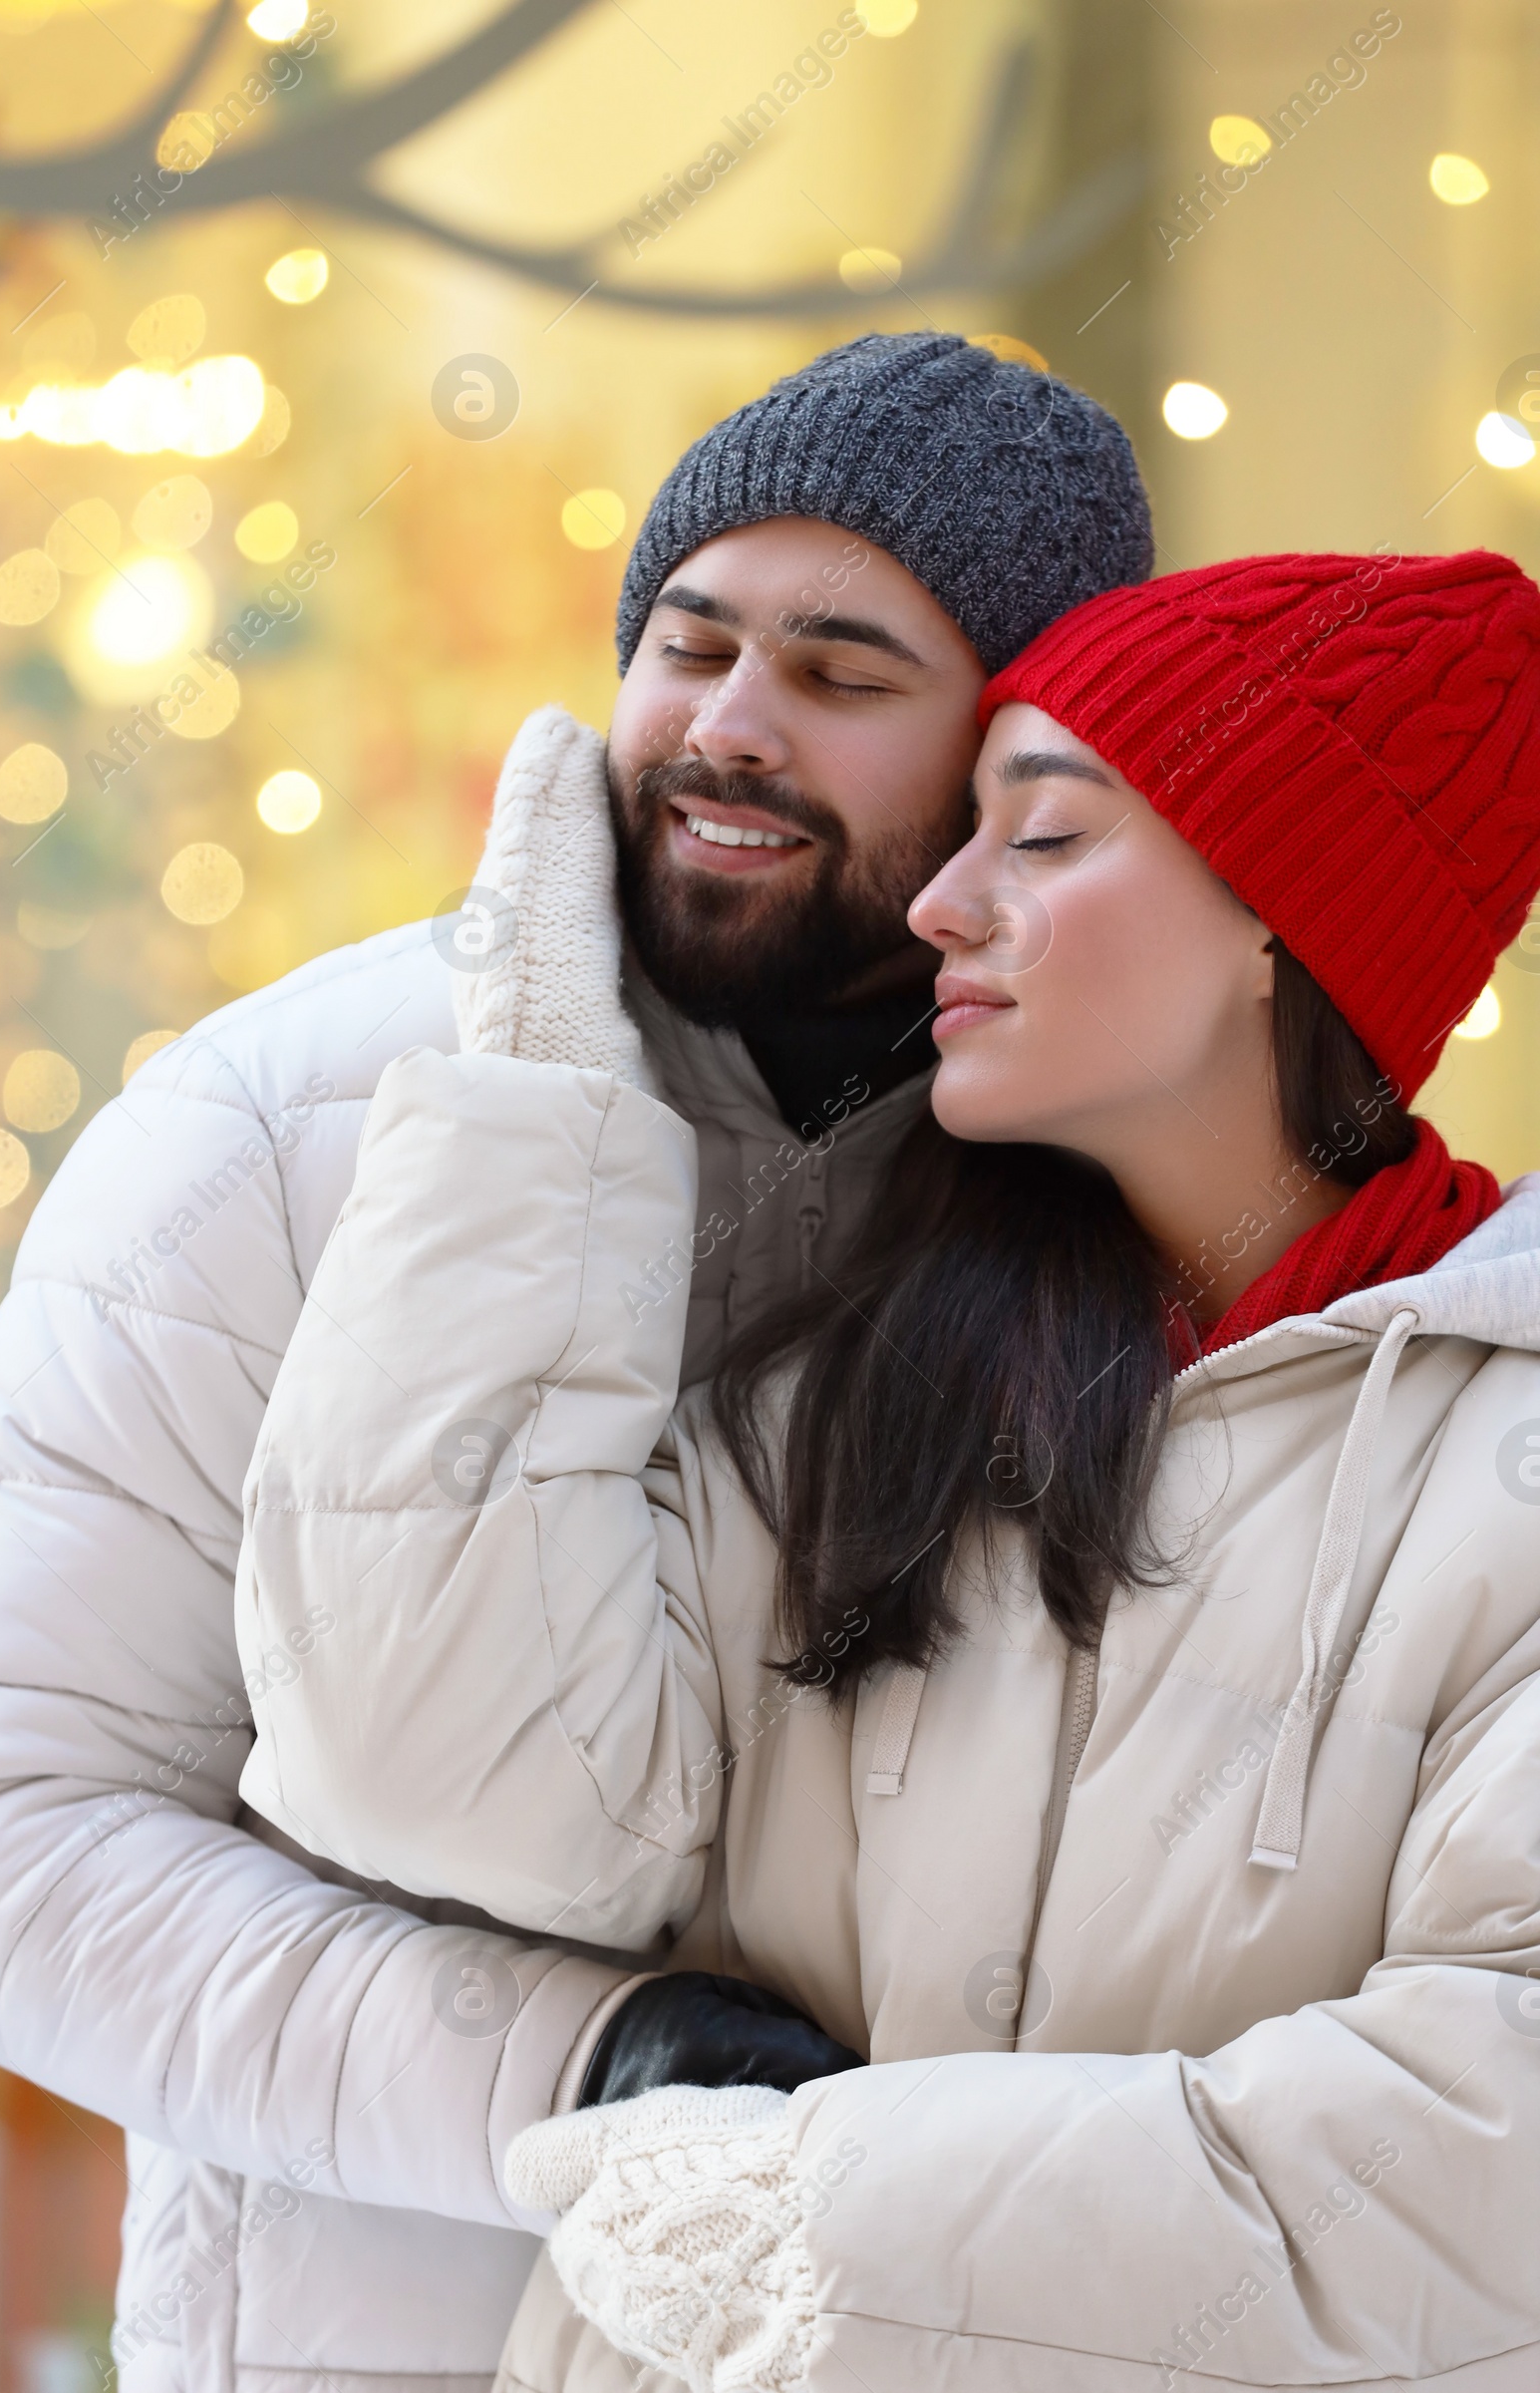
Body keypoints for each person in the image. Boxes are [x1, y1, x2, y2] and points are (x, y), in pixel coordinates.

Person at [0, 331, 1151, 2393]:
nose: (730, 729)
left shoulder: (1120, 1181)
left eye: (843, 676)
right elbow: (0, 1833)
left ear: (1016, 756)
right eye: (686, 647)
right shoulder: (282, 1127)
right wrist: (585, 2068)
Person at [236, 548, 1540, 2393]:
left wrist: (824, 2227)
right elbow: (426, 1777)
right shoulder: (854, 1398)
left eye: (1047, 839)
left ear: (1279, 924)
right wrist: (530, 1103)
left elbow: (1485, 2147)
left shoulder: (1500, 1467)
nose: (940, 904)